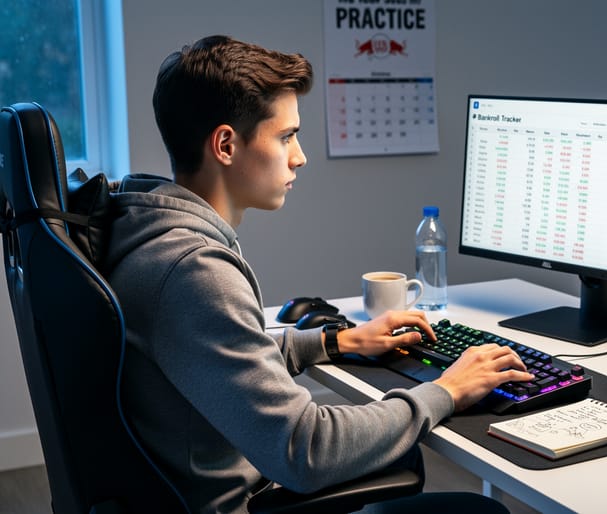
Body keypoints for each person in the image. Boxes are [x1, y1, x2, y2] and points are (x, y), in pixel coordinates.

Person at [102, 35, 533, 514]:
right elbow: (305, 450)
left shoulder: (149, 234)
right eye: (286, 136)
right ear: (225, 144)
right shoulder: (195, 272)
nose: (299, 156)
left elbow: (220, 361)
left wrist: (334, 342)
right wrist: (445, 391)